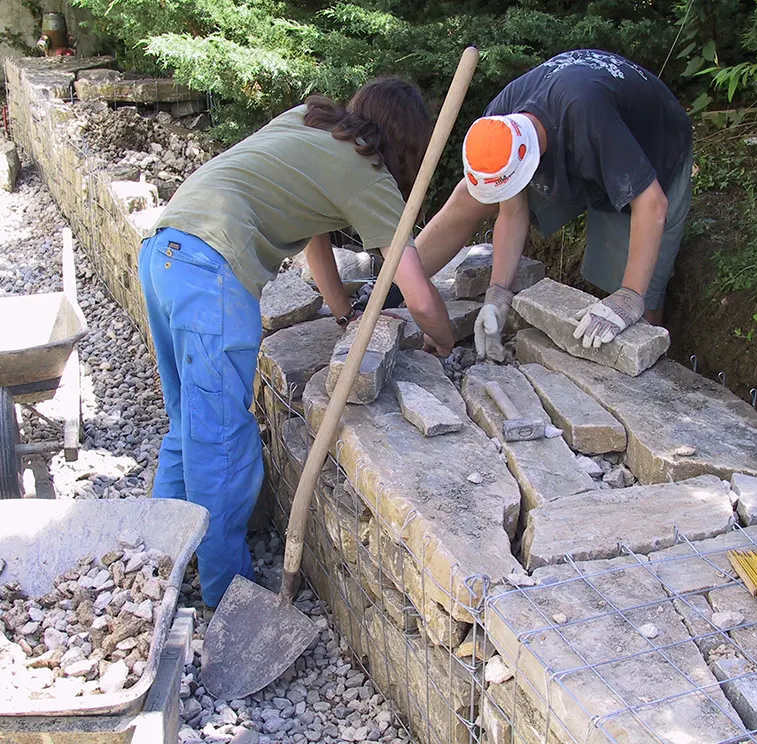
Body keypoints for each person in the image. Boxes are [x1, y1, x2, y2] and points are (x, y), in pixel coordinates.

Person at [138, 78, 455, 610]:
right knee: (222, 442)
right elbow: (419, 296)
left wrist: (343, 311)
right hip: (211, 274)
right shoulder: (369, 174)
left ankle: (151, 563)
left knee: (189, 424)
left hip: (163, 253)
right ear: (408, 145)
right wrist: (444, 342)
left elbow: (314, 236)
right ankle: (226, 592)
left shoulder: (311, 121)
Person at [416, 49, 694, 360]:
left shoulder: (590, 118)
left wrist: (629, 296)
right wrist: (497, 296)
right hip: (581, 142)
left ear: (529, 164)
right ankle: (397, 283)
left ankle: (649, 366)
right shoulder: (500, 120)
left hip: (653, 146)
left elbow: (652, 205)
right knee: (467, 195)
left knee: (642, 296)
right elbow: (512, 212)